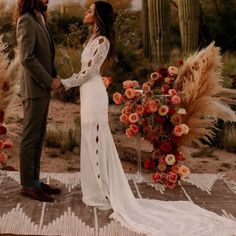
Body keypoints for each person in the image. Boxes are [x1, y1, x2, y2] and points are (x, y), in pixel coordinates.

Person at [61, 1, 236, 235]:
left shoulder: (102, 41)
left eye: (91, 10)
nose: (86, 12)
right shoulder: (92, 39)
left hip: (93, 93)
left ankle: (103, 188)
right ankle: (96, 186)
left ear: (98, 17)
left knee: (96, 139)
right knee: (90, 138)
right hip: (87, 92)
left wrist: (64, 82)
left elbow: (91, 72)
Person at [15, 0, 61, 202]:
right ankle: (27, 185)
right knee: (30, 137)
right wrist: (48, 80)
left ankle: (34, 181)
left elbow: (47, 54)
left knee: (39, 135)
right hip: (34, 89)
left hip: (43, 89)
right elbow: (27, 58)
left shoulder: (40, 18)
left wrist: (55, 75)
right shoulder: (26, 20)